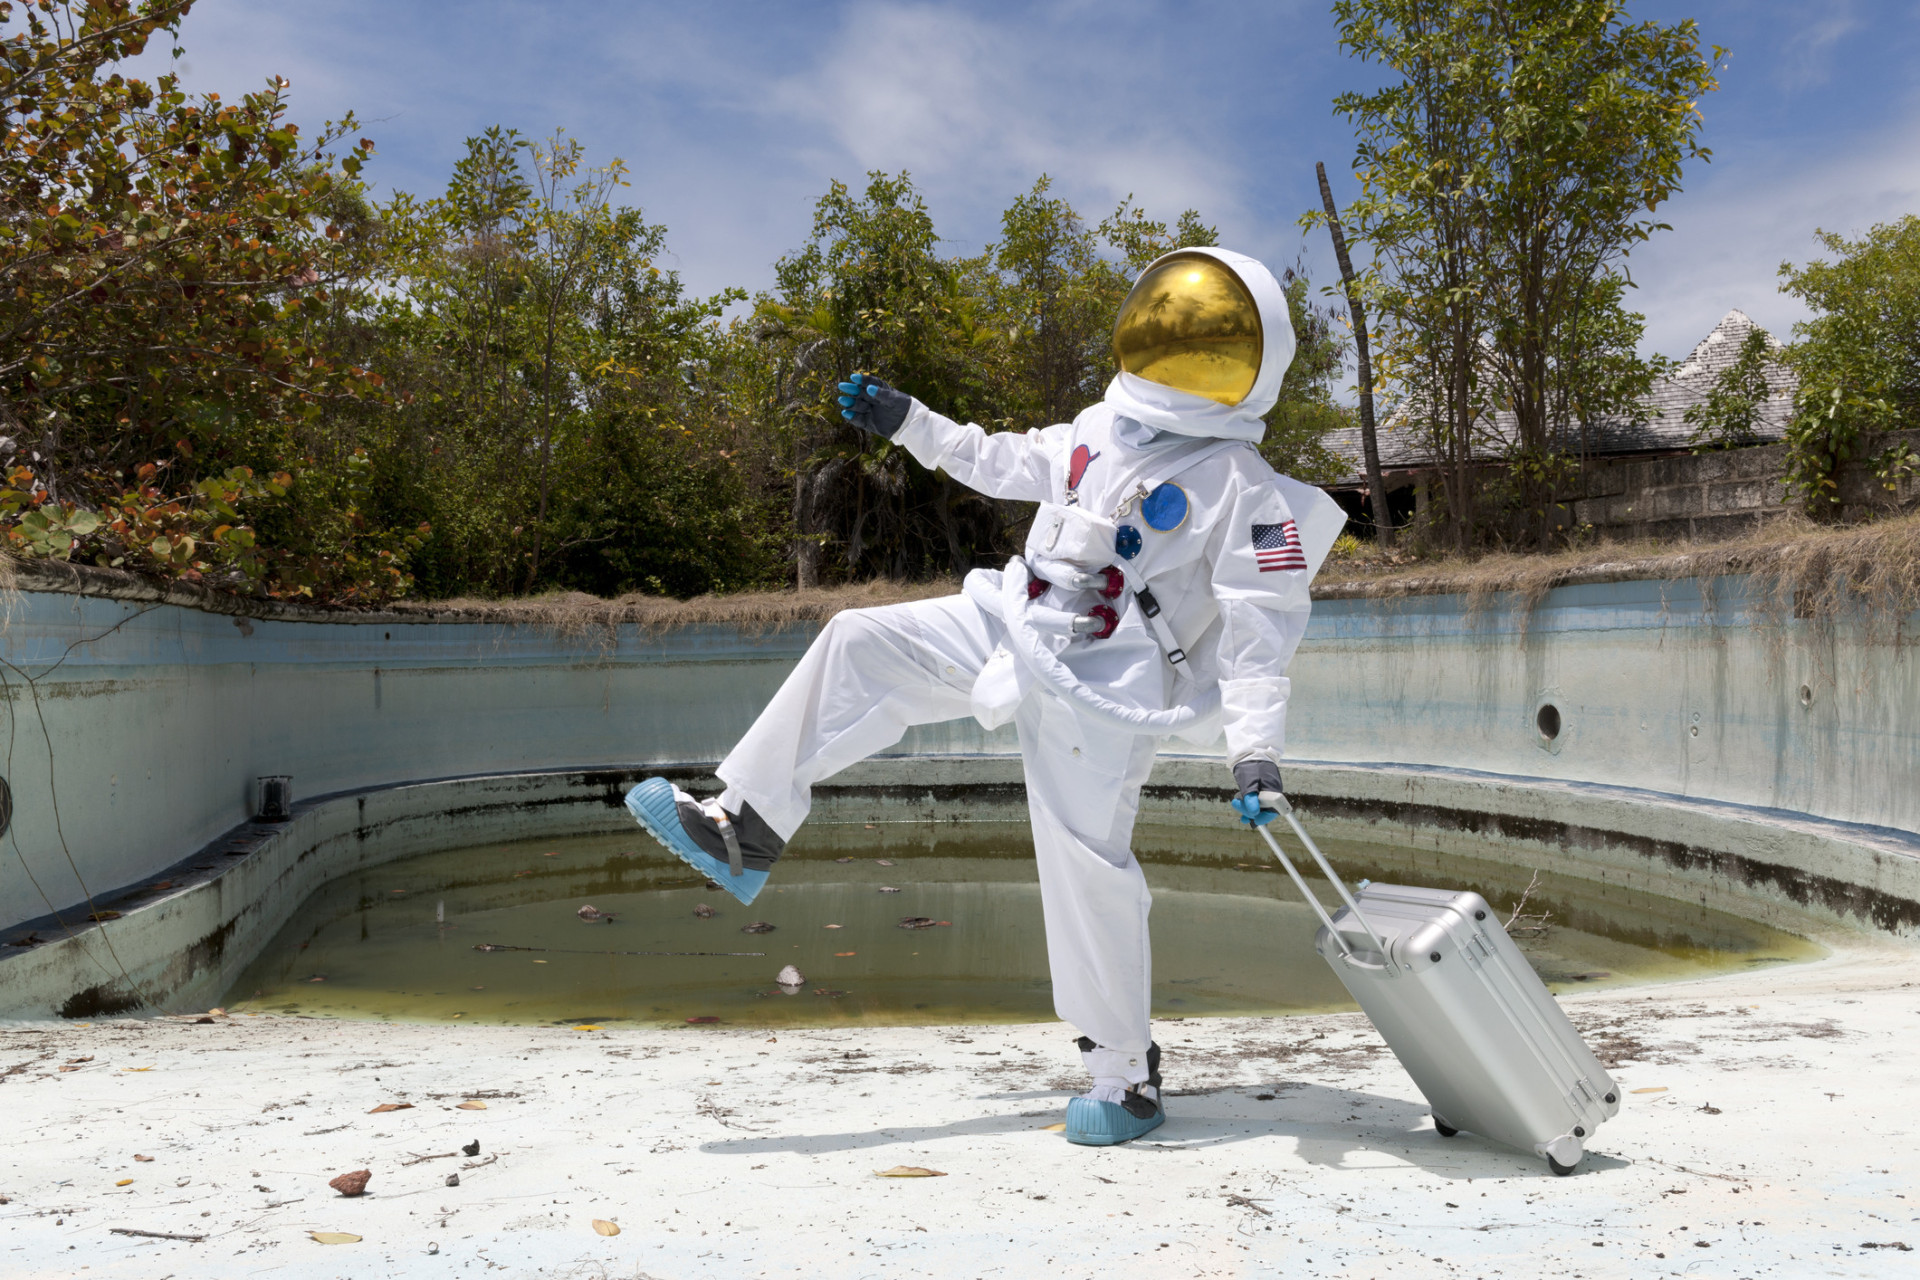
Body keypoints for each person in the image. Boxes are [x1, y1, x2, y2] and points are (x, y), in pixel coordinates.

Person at [625, 247, 1345, 1145]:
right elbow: (998, 459)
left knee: (1084, 864)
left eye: (1203, 344)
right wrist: (910, 421)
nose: (1177, 352)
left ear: (1248, 370)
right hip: (1018, 618)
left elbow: (1260, 629)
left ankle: (1125, 1079)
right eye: (1172, 332)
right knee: (863, 639)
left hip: (1108, 678)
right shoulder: (1101, 426)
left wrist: (1255, 751)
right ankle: (747, 826)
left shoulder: (1246, 490)